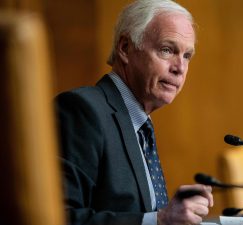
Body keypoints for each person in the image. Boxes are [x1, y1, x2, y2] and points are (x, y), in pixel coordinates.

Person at [54, 0, 213, 225]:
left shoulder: (139, 124)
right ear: (125, 48)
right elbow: (59, 217)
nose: (180, 68)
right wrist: (160, 220)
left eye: (187, 56)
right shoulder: (82, 110)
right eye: (167, 50)